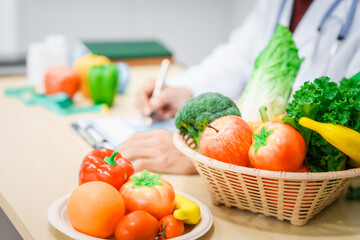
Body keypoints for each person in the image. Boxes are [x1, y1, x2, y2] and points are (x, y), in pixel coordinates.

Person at [116, 0, 360, 174]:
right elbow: (237, 58)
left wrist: (207, 160)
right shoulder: (276, 4)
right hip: (258, 152)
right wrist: (184, 89)